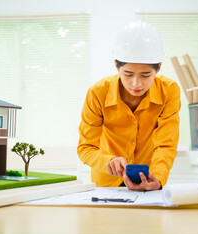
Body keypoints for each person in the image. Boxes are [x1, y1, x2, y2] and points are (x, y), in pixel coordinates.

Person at [77, 21, 180, 191]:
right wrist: (108, 160)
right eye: (128, 74)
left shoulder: (168, 91)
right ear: (116, 65)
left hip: (147, 181)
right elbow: (86, 148)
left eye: (146, 75)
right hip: (106, 184)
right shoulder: (97, 93)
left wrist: (158, 178)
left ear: (159, 67)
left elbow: (166, 144)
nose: (136, 84)